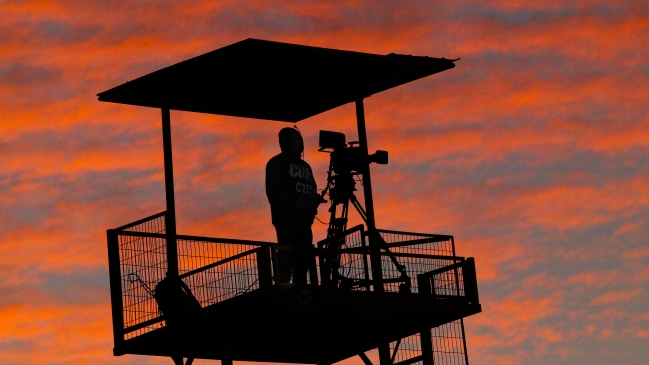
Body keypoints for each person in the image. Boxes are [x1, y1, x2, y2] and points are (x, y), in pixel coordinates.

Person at [266, 127, 320, 284]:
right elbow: (273, 192)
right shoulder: (276, 163)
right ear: (283, 142)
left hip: (304, 221)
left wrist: (312, 203)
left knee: (303, 258)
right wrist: (293, 203)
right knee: (286, 255)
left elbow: (313, 188)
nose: (295, 141)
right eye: (291, 138)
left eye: (297, 138)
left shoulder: (306, 167)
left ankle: (301, 285)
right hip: (285, 219)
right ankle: (284, 286)